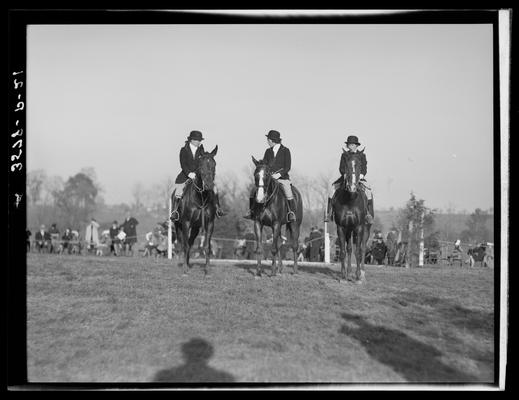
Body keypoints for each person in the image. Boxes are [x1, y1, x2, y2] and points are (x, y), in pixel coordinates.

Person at [244, 129, 297, 222]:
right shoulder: (268, 151)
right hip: (268, 178)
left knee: (288, 190)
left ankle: (291, 213)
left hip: (282, 178)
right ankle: (251, 211)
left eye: (268, 139)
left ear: (272, 140)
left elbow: (287, 167)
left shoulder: (285, 151)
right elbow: (265, 164)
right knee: (254, 190)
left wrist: (278, 175)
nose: (267, 141)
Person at [170, 130, 224, 222]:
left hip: (199, 176)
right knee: (178, 191)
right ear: (191, 140)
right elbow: (183, 164)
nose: (199, 142)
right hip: (185, 175)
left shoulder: (201, 151)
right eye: (197, 140)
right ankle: (175, 212)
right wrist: (189, 173)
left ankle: (218, 209)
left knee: (214, 188)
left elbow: (205, 163)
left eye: (200, 140)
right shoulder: (184, 150)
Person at [324, 135, 374, 224]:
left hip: (359, 177)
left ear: (356, 145)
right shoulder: (344, 155)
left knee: (368, 192)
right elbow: (341, 167)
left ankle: (368, 214)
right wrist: (345, 174)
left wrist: (362, 175)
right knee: (332, 189)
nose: (350, 146)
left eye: (352, 144)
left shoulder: (362, 155)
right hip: (346, 177)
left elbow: (364, 167)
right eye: (349, 144)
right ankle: (329, 213)